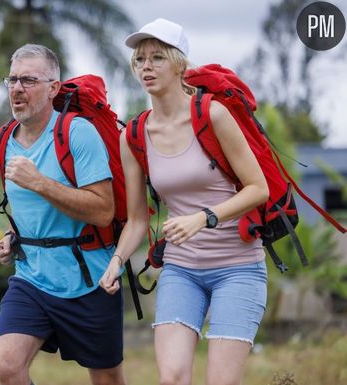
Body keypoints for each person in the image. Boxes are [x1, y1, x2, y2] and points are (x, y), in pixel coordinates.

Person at [98, 19, 269, 385]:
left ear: (179, 64)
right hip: (181, 271)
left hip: (238, 267)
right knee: (172, 378)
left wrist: (204, 217)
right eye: (140, 60)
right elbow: (138, 220)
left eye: (157, 57)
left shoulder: (212, 115)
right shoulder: (133, 135)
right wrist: (116, 261)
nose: (146, 66)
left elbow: (258, 188)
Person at [0, 43, 126, 385]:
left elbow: (103, 211)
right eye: (13, 80)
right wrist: (11, 237)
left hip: (89, 278)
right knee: (6, 366)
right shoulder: (0, 143)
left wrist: (40, 182)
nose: (18, 88)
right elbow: (24, 209)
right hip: (31, 277)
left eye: (29, 80)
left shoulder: (78, 134)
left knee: (107, 378)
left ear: (53, 88)